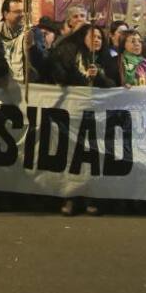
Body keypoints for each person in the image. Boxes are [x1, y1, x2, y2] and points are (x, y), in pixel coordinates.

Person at [47, 23, 114, 216]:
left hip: (98, 116)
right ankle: (70, 197)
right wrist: (81, 77)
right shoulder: (71, 55)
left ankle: (92, 198)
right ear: (82, 38)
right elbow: (62, 75)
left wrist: (99, 77)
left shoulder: (106, 59)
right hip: (74, 113)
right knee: (72, 156)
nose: (97, 40)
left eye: (100, 38)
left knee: (94, 157)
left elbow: (113, 83)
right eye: (93, 37)